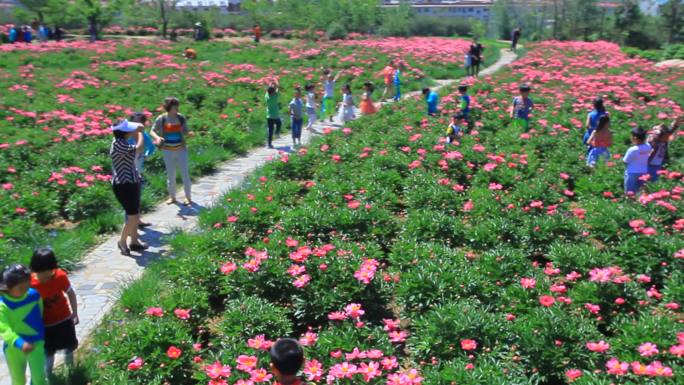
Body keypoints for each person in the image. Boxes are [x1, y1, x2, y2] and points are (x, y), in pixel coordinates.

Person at [29, 248, 78, 377]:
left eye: (48, 272)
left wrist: (75, 313)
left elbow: (70, 293)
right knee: (48, 350)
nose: (44, 277)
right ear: (34, 270)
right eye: (40, 273)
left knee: (69, 345)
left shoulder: (60, 276)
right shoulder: (30, 284)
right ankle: (48, 374)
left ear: (53, 269)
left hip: (64, 319)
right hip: (45, 324)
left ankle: (70, 369)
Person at [0, 264, 48, 385]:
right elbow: (4, 329)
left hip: (36, 342)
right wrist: (19, 343)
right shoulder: (3, 305)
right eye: (21, 288)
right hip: (13, 348)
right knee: (18, 379)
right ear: (7, 287)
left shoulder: (34, 295)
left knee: (39, 378)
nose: (26, 289)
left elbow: (39, 314)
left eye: (28, 285)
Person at [111, 119, 147, 255]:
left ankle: (135, 242)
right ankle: (122, 241)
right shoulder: (119, 145)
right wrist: (140, 134)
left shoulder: (122, 142)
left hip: (131, 182)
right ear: (124, 133)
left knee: (135, 214)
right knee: (132, 216)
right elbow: (140, 148)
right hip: (124, 185)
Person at [151, 97, 193, 206]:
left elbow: (185, 131)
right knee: (171, 175)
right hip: (168, 150)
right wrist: (157, 138)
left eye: (177, 106)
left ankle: (188, 198)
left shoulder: (181, 118)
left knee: (185, 174)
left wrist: (189, 134)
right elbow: (152, 131)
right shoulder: (162, 119)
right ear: (169, 108)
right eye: (175, 107)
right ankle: (172, 197)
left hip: (181, 149)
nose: (177, 109)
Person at [128, 112, 154, 228]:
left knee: (137, 196)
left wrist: (147, 154)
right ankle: (130, 224)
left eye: (140, 123)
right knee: (129, 198)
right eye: (135, 123)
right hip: (127, 170)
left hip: (138, 169)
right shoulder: (127, 136)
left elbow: (151, 146)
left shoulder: (143, 135)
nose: (137, 126)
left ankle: (137, 220)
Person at [623, 127, 652, 195]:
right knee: (641, 191)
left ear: (635, 138)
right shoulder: (648, 146)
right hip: (643, 171)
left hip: (632, 172)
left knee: (630, 192)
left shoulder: (632, 149)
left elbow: (625, 161)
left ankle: (630, 204)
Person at [265, 83, 282, 149]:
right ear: (273, 92)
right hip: (275, 115)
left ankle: (269, 144)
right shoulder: (275, 96)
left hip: (269, 116)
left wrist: (270, 86)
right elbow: (278, 89)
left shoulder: (267, 97)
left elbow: (267, 91)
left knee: (270, 130)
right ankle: (277, 133)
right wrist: (276, 84)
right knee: (279, 123)